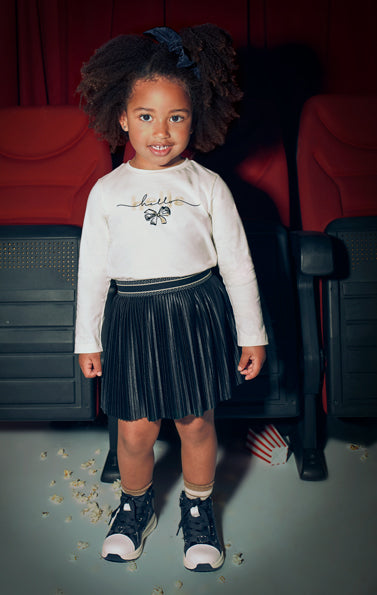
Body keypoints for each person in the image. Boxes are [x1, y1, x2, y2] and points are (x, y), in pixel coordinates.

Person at [75, 24, 268, 572]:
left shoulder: (208, 186)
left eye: (176, 117)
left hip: (194, 313)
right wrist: (87, 339)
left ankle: (198, 507)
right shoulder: (106, 192)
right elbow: (92, 270)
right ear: (122, 117)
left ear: (195, 117)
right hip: (131, 317)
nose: (161, 132)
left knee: (195, 422)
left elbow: (238, 265)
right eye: (146, 116)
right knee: (135, 429)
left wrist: (252, 333)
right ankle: (134, 506)